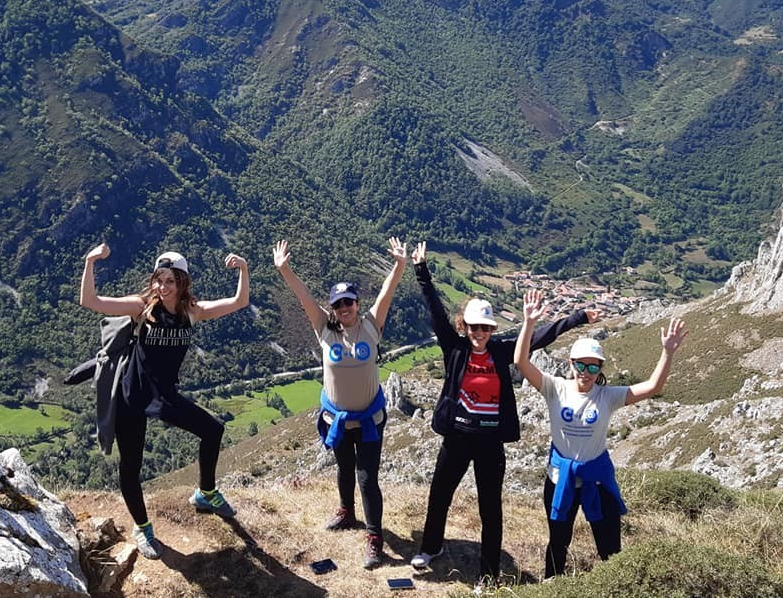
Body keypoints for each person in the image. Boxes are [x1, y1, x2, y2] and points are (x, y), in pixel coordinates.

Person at [409, 242, 598, 583]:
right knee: (439, 495)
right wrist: (421, 270)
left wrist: (578, 318)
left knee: (490, 511)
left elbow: (541, 337)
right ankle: (431, 547)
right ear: (464, 327)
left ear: (493, 330)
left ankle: (488, 574)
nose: (479, 334)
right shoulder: (454, 348)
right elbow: (435, 310)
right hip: (456, 437)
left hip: (489, 443)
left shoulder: (501, 351)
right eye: (473, 328)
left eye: (485, 328)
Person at [79, 242, 249, 559]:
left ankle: (206, 493)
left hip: (165, 396)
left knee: (213, 430)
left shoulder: (190, 311)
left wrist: (243, 269)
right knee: (131, 466)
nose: (162, 285)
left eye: (170, 280)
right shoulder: (141, 307)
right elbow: (90, 301)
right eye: (159, 278)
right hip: (132, 395)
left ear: (182, 282)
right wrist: (91, 263)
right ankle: (142, 529)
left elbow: (240, 302)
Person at [514, 290, 687, 579]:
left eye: (592, 366)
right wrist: (529, 322)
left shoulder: (608, 396)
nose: (586, 371)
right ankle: (552, 587)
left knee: (610, 549)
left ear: (600, 368)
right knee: (558, 543)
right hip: (560, 479)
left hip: (597, 479)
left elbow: (653, 387)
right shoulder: (554, 387)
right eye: (580, 364)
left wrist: (667, 352)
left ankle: (613, 587)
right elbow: (521, 362)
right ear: (570, 364)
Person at [273, 237, 407, 569]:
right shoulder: (325, 330)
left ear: (357, 304)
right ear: (332, 308)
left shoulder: (372, 325)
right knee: (344, 468)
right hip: (336, 419)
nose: (344, 309)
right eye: (338, 304)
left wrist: (400, 264)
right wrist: (284, 269)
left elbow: (387, 293)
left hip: (370, 419)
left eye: (348, 302)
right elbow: (303, 296)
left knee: (367, 477)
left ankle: (374, 539)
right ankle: (346, 511)